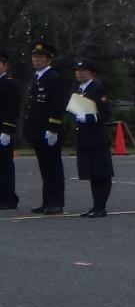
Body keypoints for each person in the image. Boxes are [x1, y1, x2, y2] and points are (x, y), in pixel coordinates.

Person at [24, 43, 65, 214]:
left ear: (49, 59)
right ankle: (47, 200)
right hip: (37, 129)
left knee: (53, 166)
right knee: (44, 167)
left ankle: (56, 202)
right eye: (35, 57)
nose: (37, 60)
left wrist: (53, 127)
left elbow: (57, 104)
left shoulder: (53, 78)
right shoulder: (37, 77)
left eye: (41, 57)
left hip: (49, 129)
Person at [71, 57, 113, 217]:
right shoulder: (79, 89)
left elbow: (105, 112)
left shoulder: (97, 89)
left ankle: (100, 206)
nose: (79, 73)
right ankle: (95, 205)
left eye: (83, 71)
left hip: (96, 137)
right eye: (77, 71)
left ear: (91, 73)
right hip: (84, 136)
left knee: (101, 172)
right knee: (92, 173)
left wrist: (89, 118)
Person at [0, 47, 19, 210]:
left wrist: (7, 130)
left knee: (5, 166)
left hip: (3, 131)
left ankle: (9, 198)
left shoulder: (9, 84)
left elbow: (12, 109)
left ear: (4, 66)